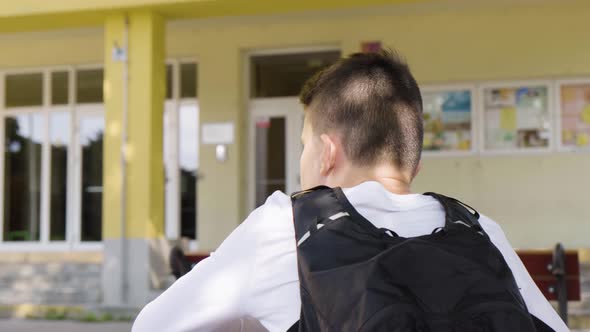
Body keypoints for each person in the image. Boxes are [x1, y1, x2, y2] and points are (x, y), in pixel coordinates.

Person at [132, 50, 568, 332]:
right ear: (414, 166)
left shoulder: (286, 229)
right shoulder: (478, 230)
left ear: (326, 153)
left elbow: (152, 326)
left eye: (303, 146)